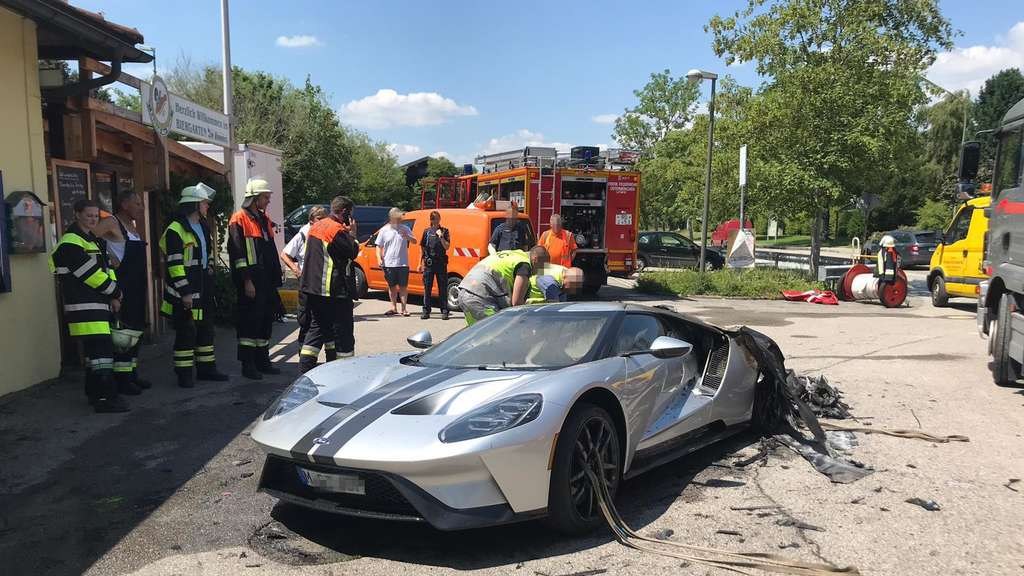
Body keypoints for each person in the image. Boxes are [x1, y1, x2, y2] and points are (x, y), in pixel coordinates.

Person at [49, 198, 127, 413]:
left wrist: (114, 296)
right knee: (102, 355)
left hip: (98, 305)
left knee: (97, 355)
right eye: (88, 215)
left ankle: (95, 394)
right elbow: (90, 275)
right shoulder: (71, 243)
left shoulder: (93, 241)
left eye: (96, 216)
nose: (93, 219)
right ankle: (106, 399)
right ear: (77, 214)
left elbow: (108, 268)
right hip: (84, 306)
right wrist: (116, 291)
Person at [159, 183, 230, 387]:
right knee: (186, 333)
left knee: (205, 329)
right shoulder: (176, 229)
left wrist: (208, 268)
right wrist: (185, 292)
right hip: (186, 291)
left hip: (202, 287)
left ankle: (207, 369)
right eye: (204, 203)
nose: (207, 206)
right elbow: (174, 264)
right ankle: (184, 374)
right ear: (194, 204)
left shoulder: (202, 225)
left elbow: (202, 254)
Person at [94, 190, 150, 393]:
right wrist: (108, 258)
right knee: (122, 335)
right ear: (124, 204)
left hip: (137, 287)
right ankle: (121, 380)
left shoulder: (133, 227)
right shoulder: (111, 223)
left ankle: (132, 374)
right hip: (122, 287)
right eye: (137, 204)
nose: (141, 208)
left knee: (135, 333)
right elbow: (88, 239)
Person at [228, 178, 284, 380]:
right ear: (254, 197)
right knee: (249, 322)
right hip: (251, 281)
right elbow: (237, 254)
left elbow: (268, 251)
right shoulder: (239, 219)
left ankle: (263, 361)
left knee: (265, 321)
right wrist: (246, 281)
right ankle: (248, 364)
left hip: (266, 281)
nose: (268, 201)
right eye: (266, 197)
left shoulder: (262, 218)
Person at [298, 195, 360, 373]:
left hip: (314, 291)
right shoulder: (336, 230)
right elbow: (352, 251)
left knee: (317, 330)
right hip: (334, 292)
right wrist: (353, 235)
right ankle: (344, 372)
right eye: (350, 214)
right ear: (344, 212)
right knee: (343, 335)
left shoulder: (316, 226)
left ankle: (305, 370)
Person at [458, 246, 548, 325]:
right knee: (496, 332)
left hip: (464, 291)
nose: (542, 271)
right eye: (543, 266)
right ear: (535, 259)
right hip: (479, 296)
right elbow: (516, 302)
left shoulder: (516, 254)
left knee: (474, 335)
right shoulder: (525, 265)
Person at [280, 206, 327, 345]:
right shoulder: (303, 234)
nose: (322, 222)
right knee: (305, 319)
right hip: (306, 283)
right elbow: (285, 254)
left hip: (320, 282)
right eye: (319, 219)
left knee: (320, 319)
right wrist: (296, 269)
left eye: (324, 218)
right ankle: (304, 354)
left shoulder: (324, 232)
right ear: (311, 220)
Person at [375, 207, 416, 316]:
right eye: (397, 218)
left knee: (403, 287)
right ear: (392, 218)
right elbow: (378, 246)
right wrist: (379, 258)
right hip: (388, 263)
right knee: (392, 287)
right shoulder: (384, 230)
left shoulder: (405, 228)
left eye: (400, 218)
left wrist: (407, 236)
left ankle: (404, 308)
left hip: (403, 263)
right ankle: (393, 307)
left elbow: (415, 241)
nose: (400, 220)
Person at [418, 210, 451, 320]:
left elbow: (447, 247)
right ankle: (426, 310)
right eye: (434, 219)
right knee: (427, 288)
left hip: (441, 263)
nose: (436, 221)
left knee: (442, 288)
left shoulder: (445, 231)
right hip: (429, 264)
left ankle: (444, 310)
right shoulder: (427, 232)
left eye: (437, 219)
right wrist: (420, 263)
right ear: (431, 220)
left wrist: (441, 237)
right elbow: (422, 248)